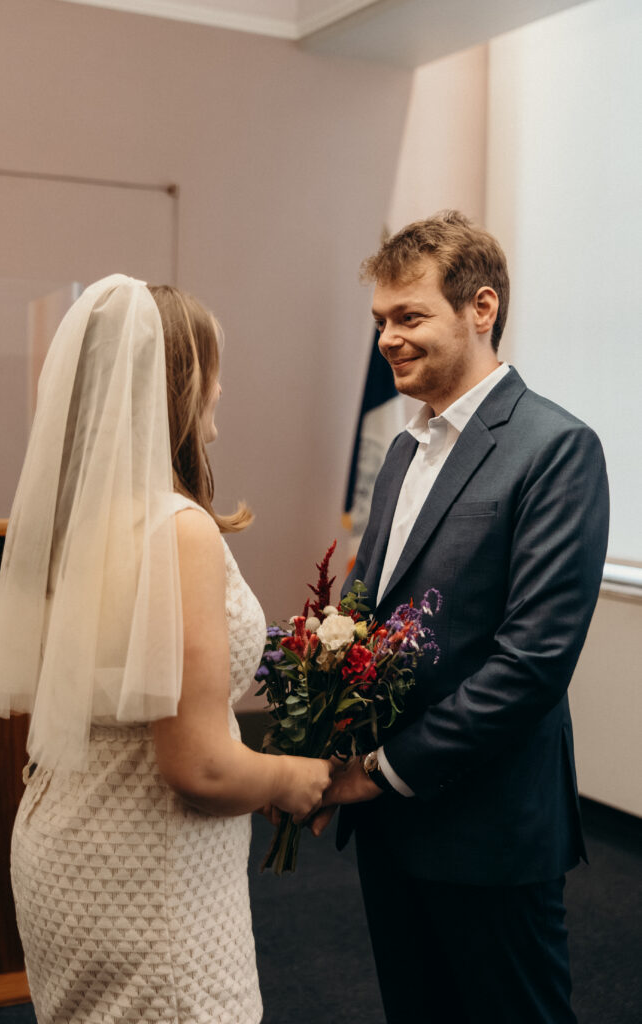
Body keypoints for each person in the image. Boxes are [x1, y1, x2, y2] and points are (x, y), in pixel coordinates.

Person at [0, 275, 331, 1024]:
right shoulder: (177, 530)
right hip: (147, 866)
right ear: (174, 382)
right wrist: (288, 778)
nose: (222, 390)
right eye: (211, 368)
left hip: (61, 840)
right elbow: (196, 767)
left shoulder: (73, 522)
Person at [313, 212, 609, 1023]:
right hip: (389, 829)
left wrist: (378, 771)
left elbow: (532, 662)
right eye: (379, 322)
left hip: (487, 825)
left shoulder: (556, 447)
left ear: (481, 309)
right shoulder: (403, 449)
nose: (387, 339)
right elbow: (367, 612)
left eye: (408, 317)